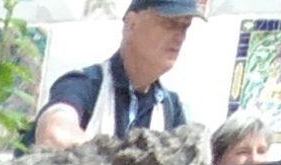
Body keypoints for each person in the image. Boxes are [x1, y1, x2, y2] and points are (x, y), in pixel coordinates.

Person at [31, 0, 198, 149]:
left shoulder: (170, 107)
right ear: (132, 23)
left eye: (185, 26)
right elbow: (54, 133)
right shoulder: (84, 85)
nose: (180, 36)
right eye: (169, 23)